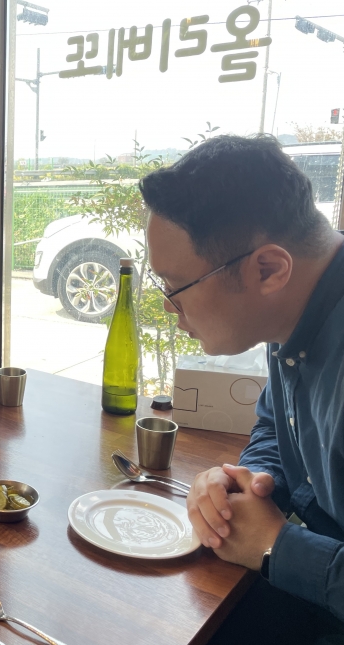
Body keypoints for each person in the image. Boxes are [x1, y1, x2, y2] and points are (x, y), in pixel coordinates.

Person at [140, 135, 344, 643]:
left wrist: (278, 546)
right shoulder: (291, 312)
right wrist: (246, 483)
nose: (168, 306)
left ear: (268, 269)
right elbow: (276, 425)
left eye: (176, 286)